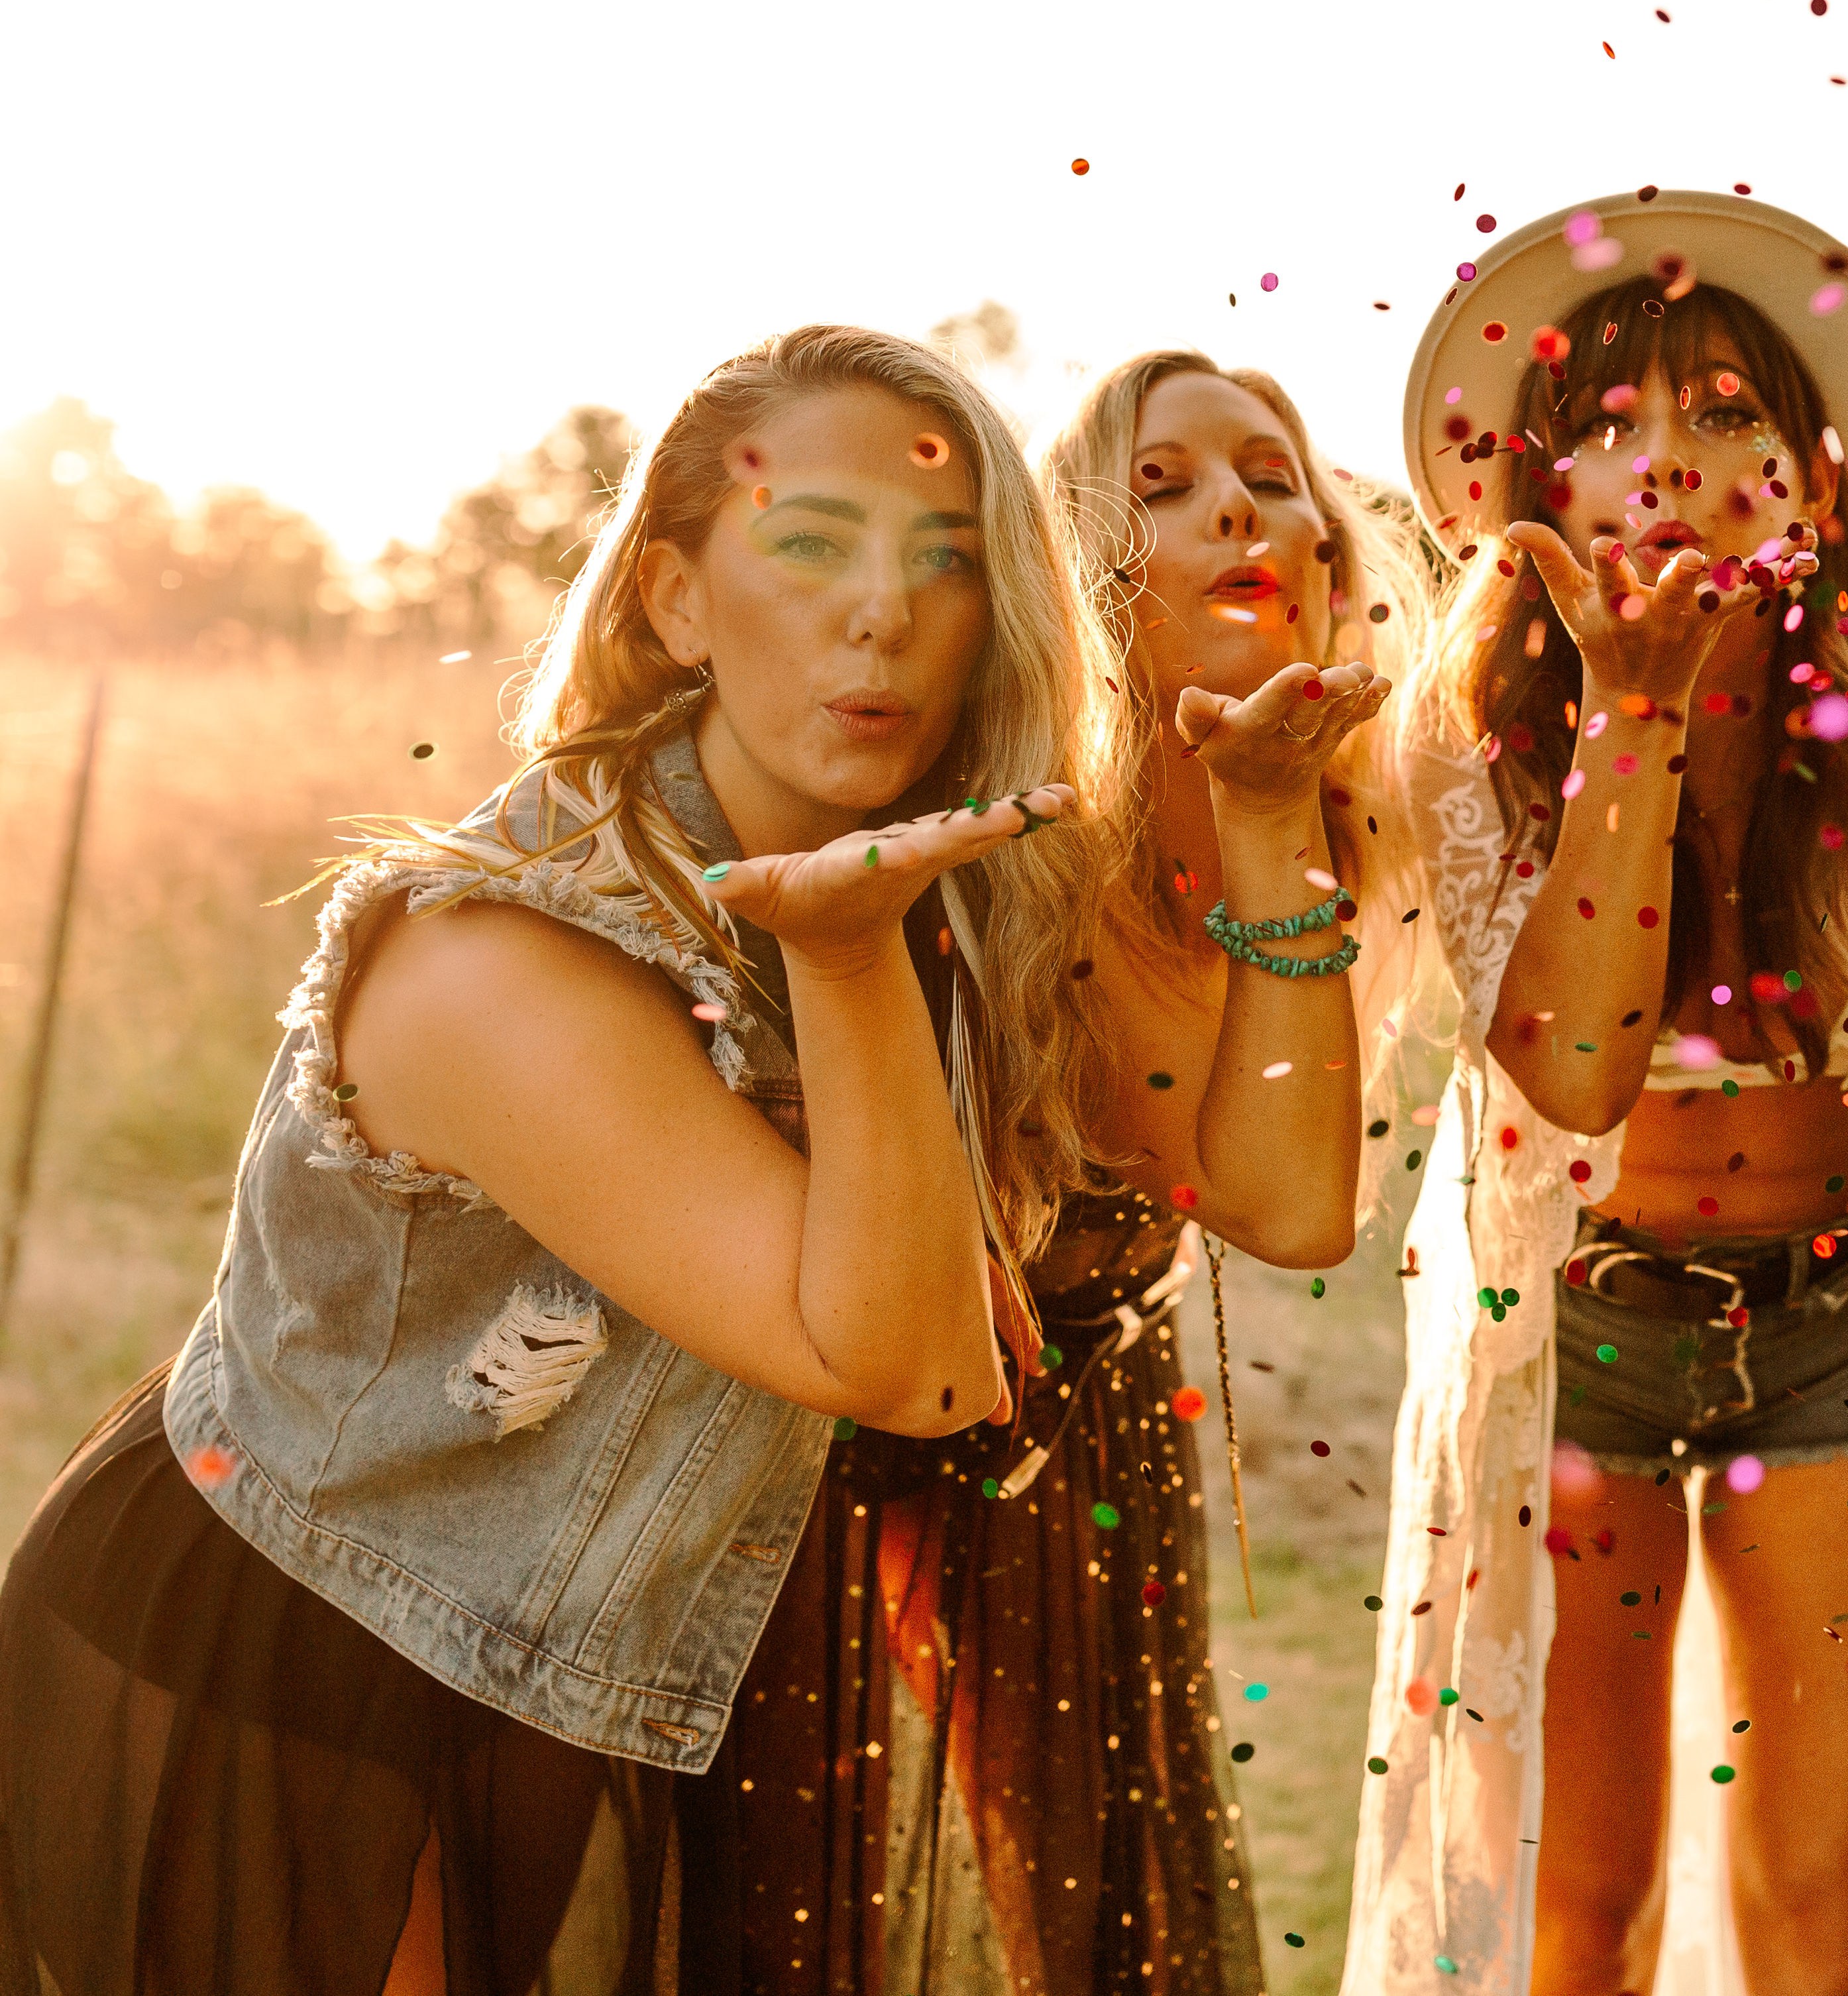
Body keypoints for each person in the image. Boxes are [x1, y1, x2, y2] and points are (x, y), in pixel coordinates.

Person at [0, 325, 1096, 1995]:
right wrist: (855, 958)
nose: (881, 611)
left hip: (527, 1674)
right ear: (673, 602)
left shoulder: (890, 891)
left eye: (942, 562)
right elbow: (921, 1366)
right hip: (283, 1654)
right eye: (809, 544)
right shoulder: (509, 964)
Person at [1345, 190, 1848, 1996]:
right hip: (1576, 1333)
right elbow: (1570, 1070)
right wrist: (1629, 717)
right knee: (1575, 1916)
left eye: (1725, 416)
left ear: (1815, 470)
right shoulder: (1469, 739)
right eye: (1609, 426)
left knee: (1821, 1928)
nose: (1668, 464)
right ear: (1539, 492)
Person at [706, 348, 1419, 1986]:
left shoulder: (1346, 820)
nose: (1236, 503)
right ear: (1081, 570)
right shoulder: (1009, 817)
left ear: (1329, 556)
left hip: (1080, 1382)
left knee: (1096, 1865)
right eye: (1160, 487)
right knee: (799, 1883)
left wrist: (1265, 811)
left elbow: (1297, 1210)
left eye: (1272, 473)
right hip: (809, 1380)